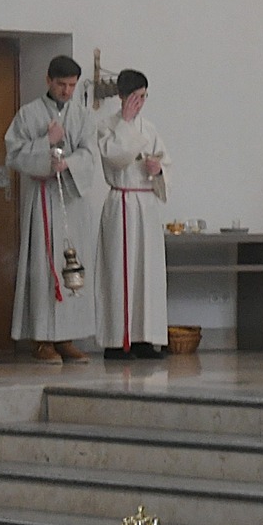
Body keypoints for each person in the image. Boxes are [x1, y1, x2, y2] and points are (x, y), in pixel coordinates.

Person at [6, 55, 101, 364]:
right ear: (48, 80)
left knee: (72, 265)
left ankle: (66, 338)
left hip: (71, 201)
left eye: (72, 85)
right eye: (61, 84)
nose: (67, 91)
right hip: (44, 198)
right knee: (43, 267)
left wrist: (68, 163)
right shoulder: (28, 114)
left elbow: (90, 155)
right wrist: (46, 142)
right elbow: (14, 154)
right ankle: (43, 339)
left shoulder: (83, 116)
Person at [97, 69, 170, 360]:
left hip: (146, 205)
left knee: (148, 274)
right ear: (122, 97)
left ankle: (144, 338)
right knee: (119, 271)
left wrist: (158, 170)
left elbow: (166, 164)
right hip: (122, 203)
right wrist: (126, 123)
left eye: (144, 97)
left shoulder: (150, 129)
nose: (140, 103)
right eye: (135, 98)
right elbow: (116, 157)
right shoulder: (107, 126)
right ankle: (118, 341)